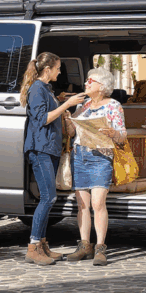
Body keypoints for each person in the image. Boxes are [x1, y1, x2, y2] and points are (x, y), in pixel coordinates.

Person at [21, 52, 86, 266]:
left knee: (49, 198)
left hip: (50, 148)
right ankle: (33, 247)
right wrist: (66, 106)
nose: (60, 72)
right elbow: (42, 119)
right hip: (41, 149)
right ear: (47, 69)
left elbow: (49, 109)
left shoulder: (46, 89)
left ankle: (42, 244)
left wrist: (61, 100)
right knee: (47, 198)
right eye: (58, 68)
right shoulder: (37, 88)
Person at [62, 67, 127, 266]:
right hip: (80, 155)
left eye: (91, 81)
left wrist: (112, 133)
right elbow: (73, 134)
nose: (86, 84)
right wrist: (67, 118)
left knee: (98, 204)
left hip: (100, 156)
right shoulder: (84, 105)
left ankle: (100, 247)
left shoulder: (114, 105)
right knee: (82, 205)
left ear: (102, 86)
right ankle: (84, 246)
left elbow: (123, 135)